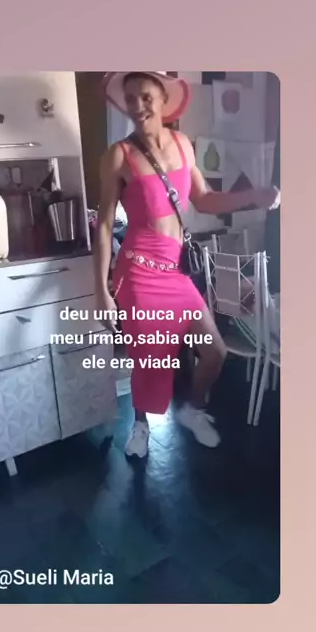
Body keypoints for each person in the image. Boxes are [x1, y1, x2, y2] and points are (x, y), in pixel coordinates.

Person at [94, 71, 280, 459]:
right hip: (139, 271)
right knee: (149, 357)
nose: (137, 105)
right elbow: (106, 225)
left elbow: (205, 199)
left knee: (215, 351)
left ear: (163, 100)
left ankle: (191, 410)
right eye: (130, 98)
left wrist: (255, 196)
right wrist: (101, 291)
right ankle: (141, 425)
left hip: (175, 271)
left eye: (146, 96)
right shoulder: (118, 155)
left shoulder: (183, 145)